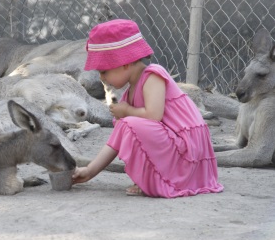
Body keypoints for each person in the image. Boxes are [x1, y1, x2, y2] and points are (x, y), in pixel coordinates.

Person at [72, 19, 224, 198]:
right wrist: (90, 171)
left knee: (129, 124)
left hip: (187, 150)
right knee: (127, 126)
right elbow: (116, 140)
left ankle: (159, 179)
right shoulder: (129, 93)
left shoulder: (153, 75)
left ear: (125, 63)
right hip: (173, 145)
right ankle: (152, 177)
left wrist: (127, 112)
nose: (102, 78)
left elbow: (153, 115)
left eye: (104, 71)